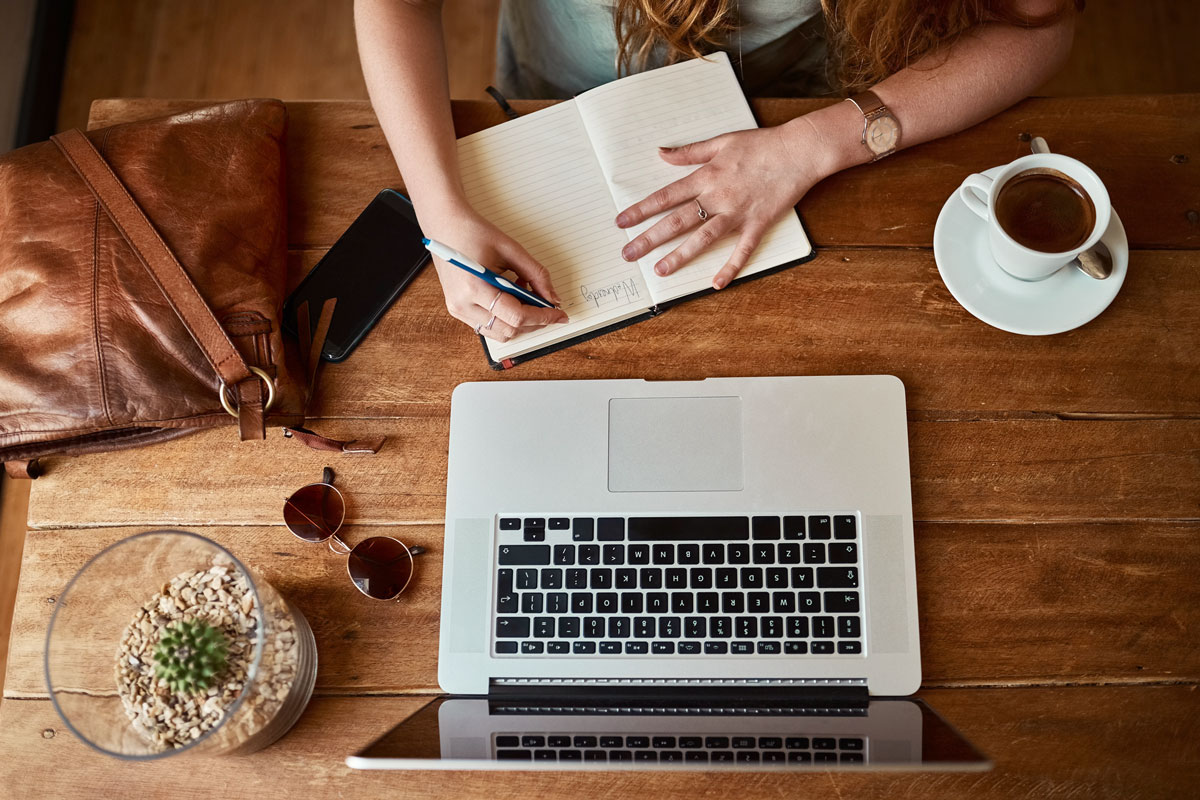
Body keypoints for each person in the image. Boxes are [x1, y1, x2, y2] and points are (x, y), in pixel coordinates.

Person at [355, 0, 1079, 342]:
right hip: (554, 81)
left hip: (791, 99)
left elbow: (1044, 25)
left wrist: (819, 141)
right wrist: (440, 211)